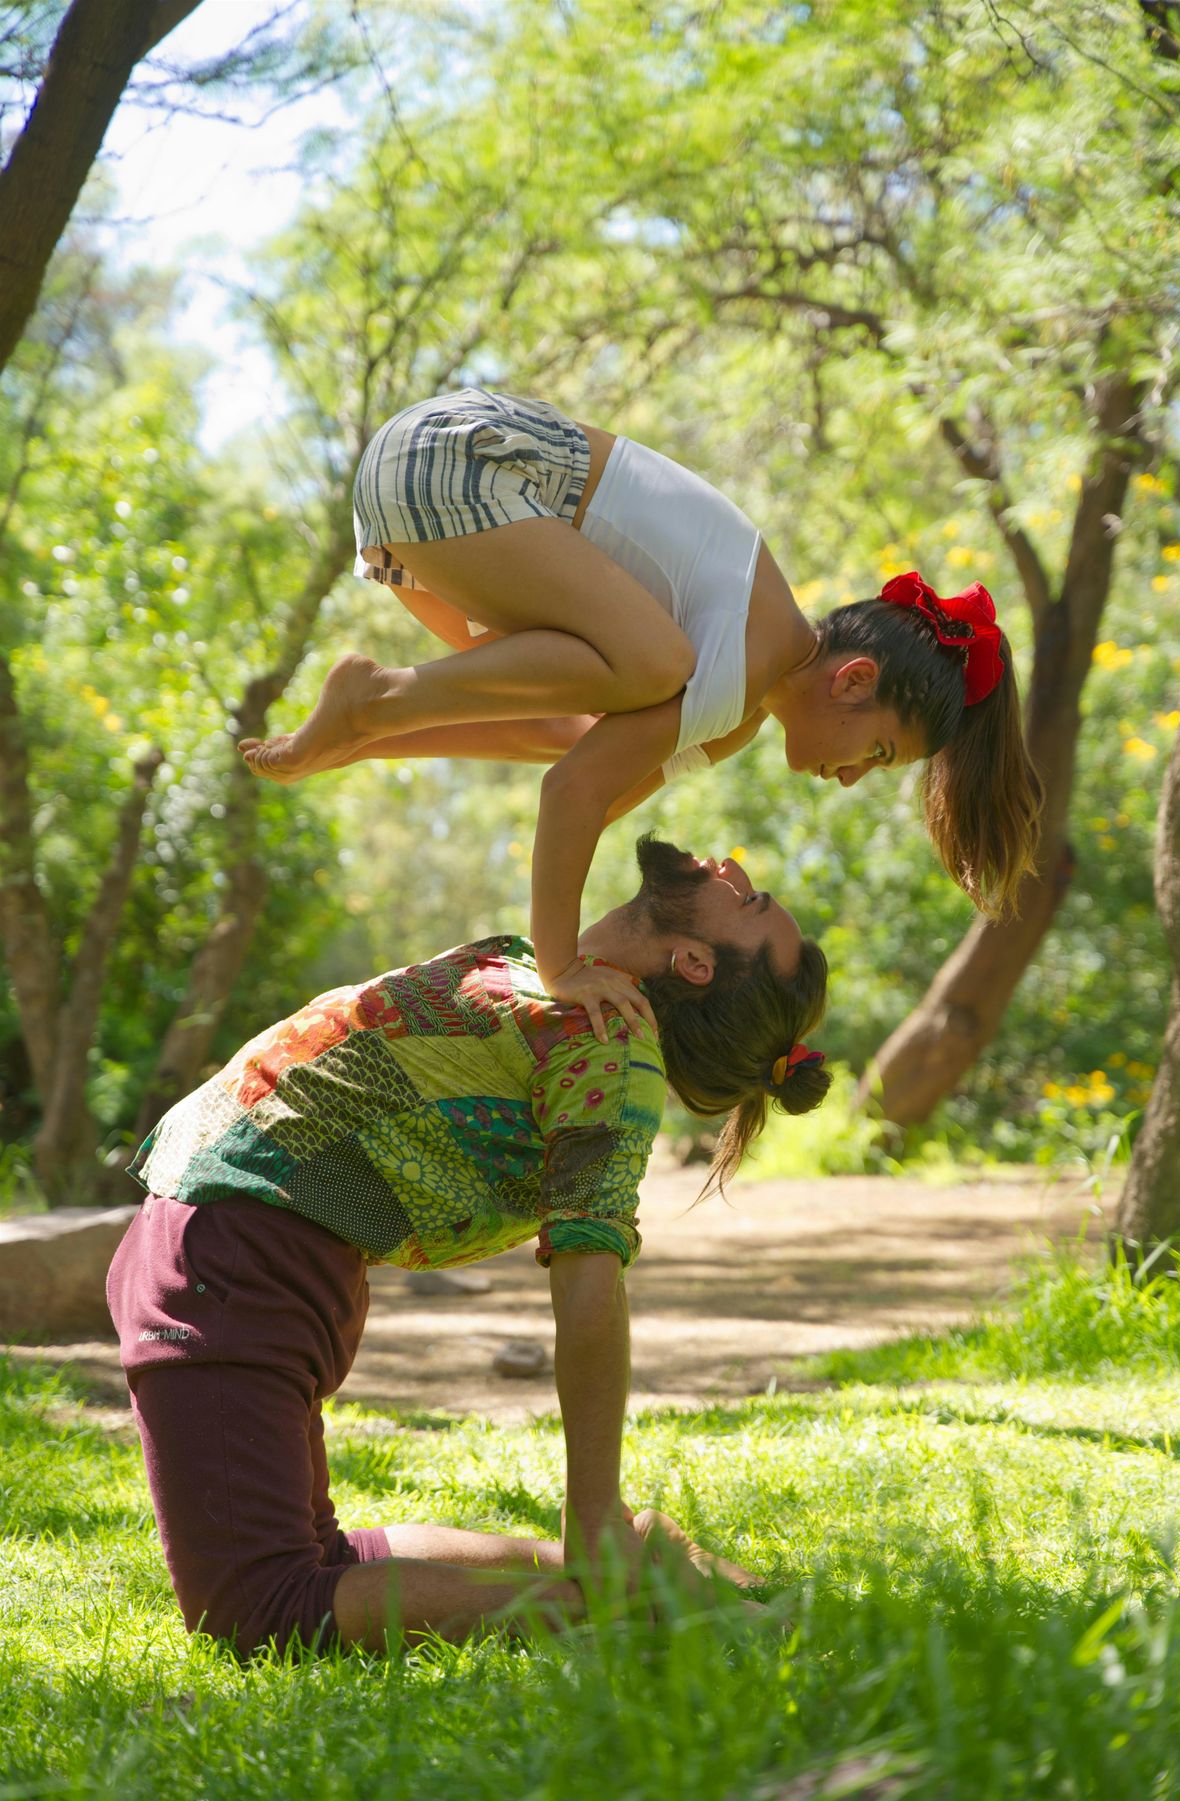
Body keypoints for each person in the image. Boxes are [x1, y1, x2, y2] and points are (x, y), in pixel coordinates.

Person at [106, 837, 831, 1656]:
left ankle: (639, 1598)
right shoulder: (568, 972)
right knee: (317, 1561)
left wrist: (593, 1503)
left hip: (241, 1250)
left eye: (753, 900)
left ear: (694, 960)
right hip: (246, 1238)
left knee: (262, 1607)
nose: (732, 870)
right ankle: (639, 1567)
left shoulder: (610, 1047)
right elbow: (583, 778)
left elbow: (591, 1280)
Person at [238, 389, 1044, 1037]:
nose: (852, 778)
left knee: (585, 718)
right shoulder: (739, 661)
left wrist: (612, 953)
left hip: (422, 500)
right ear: (853, 680)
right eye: (878, 751)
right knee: (655, 663)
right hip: (457, 464)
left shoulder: (733, 717)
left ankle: (371, 727)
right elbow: (573, 796)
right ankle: (376, 697)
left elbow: (583, 770)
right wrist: (559, 968)